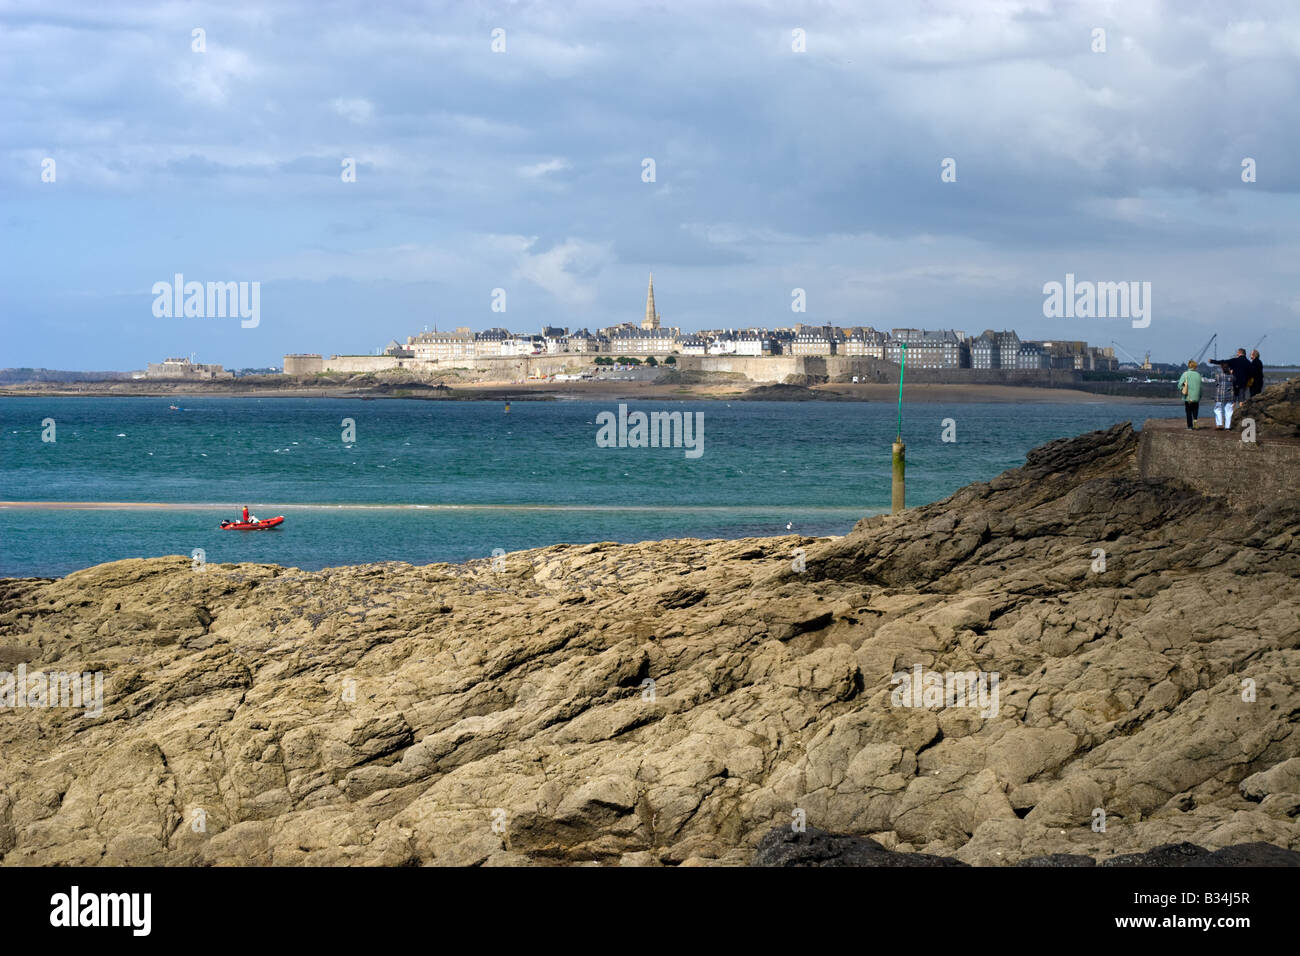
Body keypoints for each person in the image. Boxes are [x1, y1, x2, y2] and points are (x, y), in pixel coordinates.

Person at [1177, 360, 1202, 429]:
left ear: (1189, 366)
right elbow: (1201, 387)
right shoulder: (1198, 375)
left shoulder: (1185, 374)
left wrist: (1183, 388)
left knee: (1188, 411)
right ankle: (1195, 422)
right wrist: (1200, 396)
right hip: (1196, 396)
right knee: (1195, 410)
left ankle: (1190, 426)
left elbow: (1179, 385)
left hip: (1188, 396)